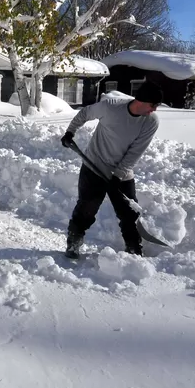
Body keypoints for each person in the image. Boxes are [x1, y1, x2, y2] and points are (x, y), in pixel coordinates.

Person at [60, 81, 163, 258]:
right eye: (153, 104)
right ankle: (73, 243)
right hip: (94, 165)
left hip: (122, 172)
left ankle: (134, 249)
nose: (154, 109)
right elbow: (85, 113)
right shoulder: (110, 107)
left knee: (129, 213)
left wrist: (118, 176)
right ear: (143, 100)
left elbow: (134, 153)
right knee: (87, 208)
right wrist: (70, 132)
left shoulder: (151, 122)